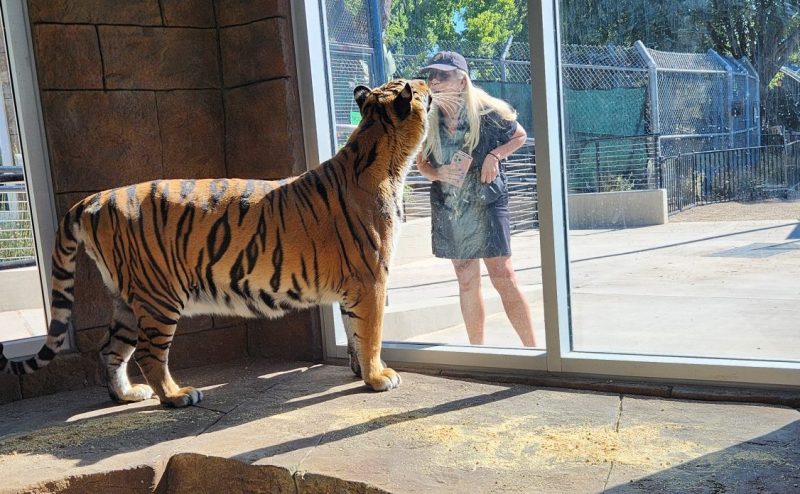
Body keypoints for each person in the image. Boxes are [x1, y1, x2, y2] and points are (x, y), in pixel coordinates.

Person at [416, 51, 536, 348]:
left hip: (487, 200)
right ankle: (477, 351)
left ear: (461, 80)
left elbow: (519, 135)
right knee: (466, 278)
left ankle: (535, 352)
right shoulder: (428, 119)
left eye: (442, 75)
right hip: (452, 206)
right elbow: (422, 165)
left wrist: (495, 156)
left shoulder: (486, 111)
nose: (434, 81)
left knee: (502, 275)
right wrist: (438, 173)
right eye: (431, 75)